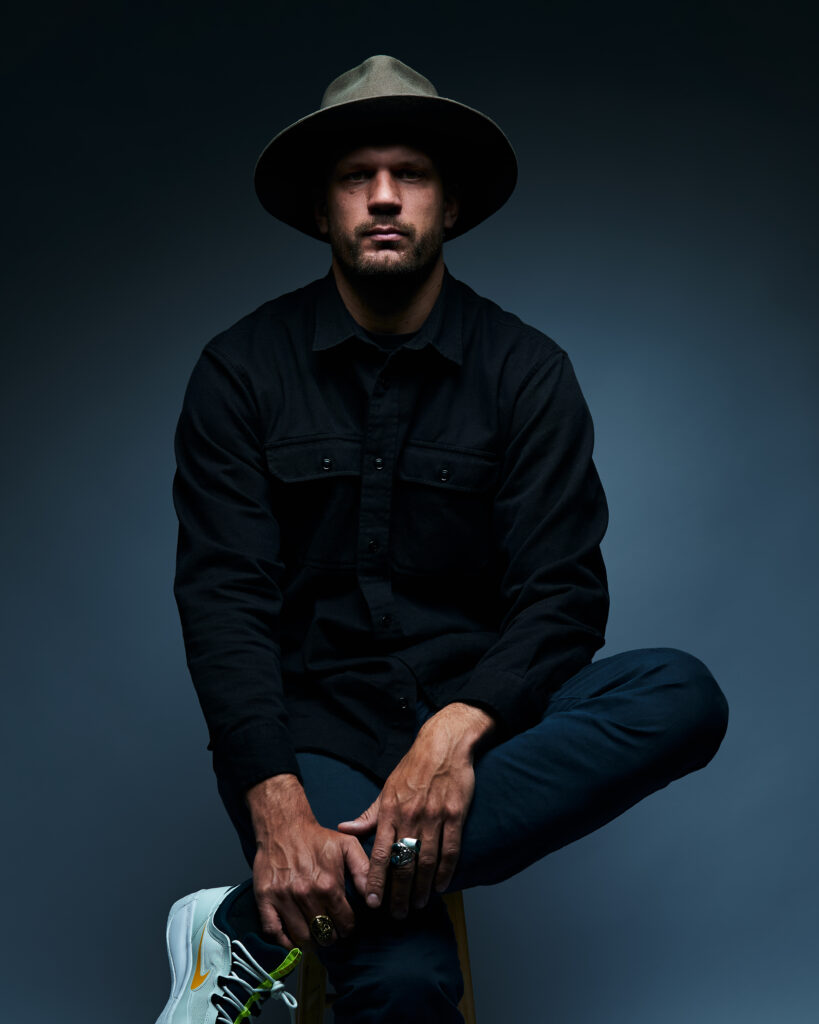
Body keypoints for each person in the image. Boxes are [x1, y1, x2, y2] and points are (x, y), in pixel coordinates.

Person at [159, 55, 730, 1024]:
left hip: (484, 733)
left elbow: (563, 596)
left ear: (450, 205)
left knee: (681, 694)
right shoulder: (241, 371)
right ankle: (296, 891)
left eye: (411, 174)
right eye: (357, 176)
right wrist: (278, 805)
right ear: (322, 210)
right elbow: (224, 602)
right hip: (315, 734)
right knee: (406, 980)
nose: (384, 196)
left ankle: (245, 928)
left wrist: (453, 730)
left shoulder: (527, 372)